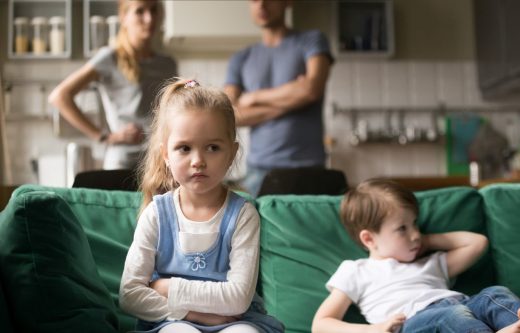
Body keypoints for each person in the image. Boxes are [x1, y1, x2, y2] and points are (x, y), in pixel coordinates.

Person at [119, 79, 284, 333]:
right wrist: (193, 314)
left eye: (213, 148)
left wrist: (167, 287)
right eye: (184, 148)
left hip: (236, 322)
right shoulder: (156, 214)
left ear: (231, 153)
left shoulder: (243, 215)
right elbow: (130, 294)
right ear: (166, 155)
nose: (198, 161)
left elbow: (238, 298)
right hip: (171, 321)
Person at [312, 178, 520, 333]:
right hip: (413, 322)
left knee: (493, 294)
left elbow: (477, 243)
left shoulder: (431, 263)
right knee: (453, 315)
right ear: (369, 239)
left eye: (415, 224)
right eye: (402, 228)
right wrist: (373, 329)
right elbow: (321, 323)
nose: (415, 234)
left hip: (463, 304)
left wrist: (429, 241)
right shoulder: (357, 270)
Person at [48, 0, 177, 171]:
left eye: (154, 10)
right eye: (140, 11)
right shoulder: (109, 58)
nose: (149, 18)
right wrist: (104, 137)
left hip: (160, 163)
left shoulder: (168, 64)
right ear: (123, 17)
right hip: (123, 163)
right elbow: (60, 96)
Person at [224, 0, 334, 197]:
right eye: (254, 0)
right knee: (259, 229)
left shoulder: (312, 40)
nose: (262, 5)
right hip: (258, 171)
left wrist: (254, 97)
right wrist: (294, 98)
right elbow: (229, 115)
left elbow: (311, 90)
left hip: (308, 168)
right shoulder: (241, 57)